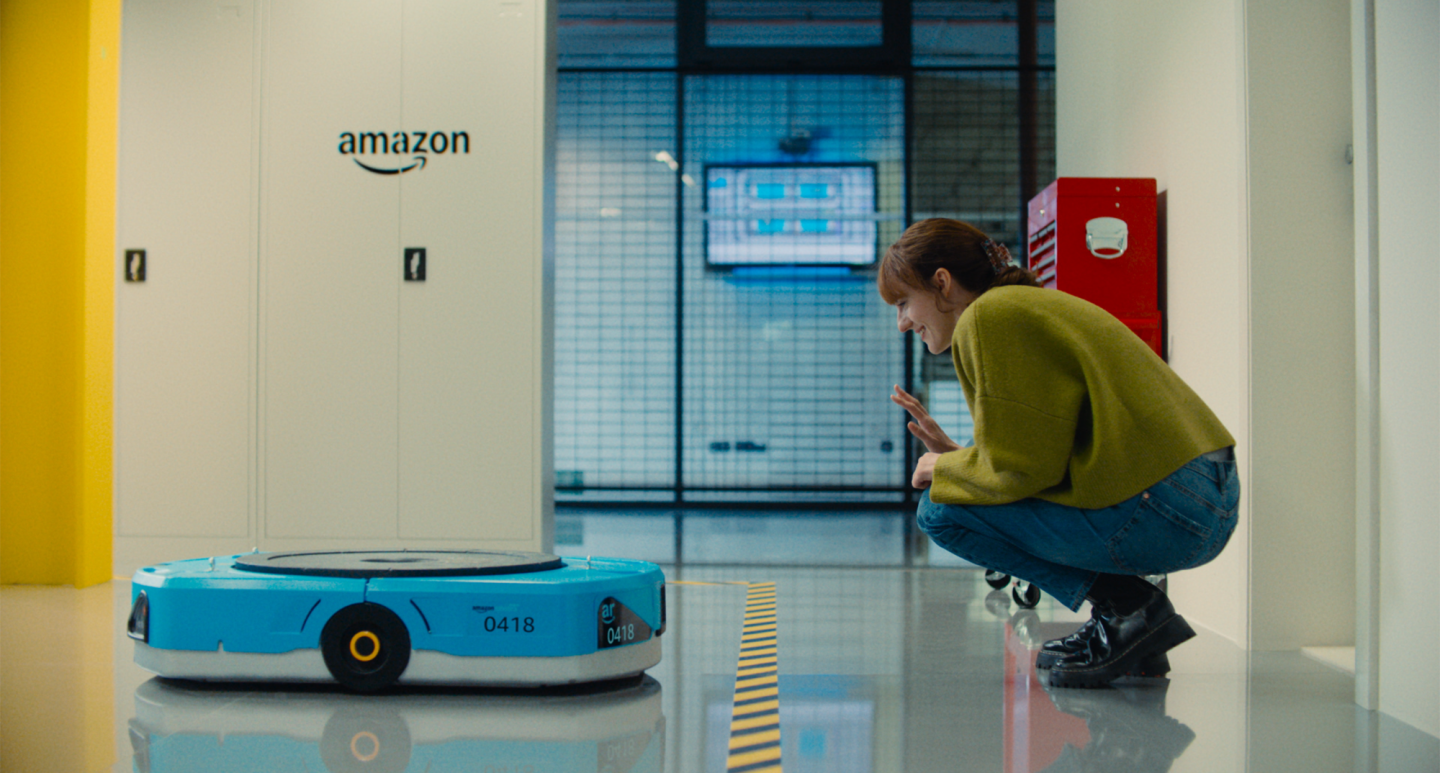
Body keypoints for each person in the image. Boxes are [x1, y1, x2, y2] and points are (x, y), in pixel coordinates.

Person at [878, 218, 1239, 689]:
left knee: (941, 511)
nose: (902, 322)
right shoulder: (1025, 306)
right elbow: (1044, 453)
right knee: (956, 493)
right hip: (1197, 498)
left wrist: (947, 467)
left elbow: (1023, 469)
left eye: (904, 302)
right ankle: (1128, 626)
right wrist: (960, 457)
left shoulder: (988, 317)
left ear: (942, 283)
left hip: (1170, 507)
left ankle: (1131, 611)